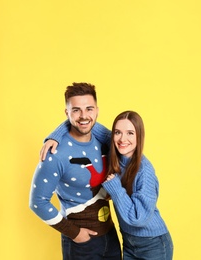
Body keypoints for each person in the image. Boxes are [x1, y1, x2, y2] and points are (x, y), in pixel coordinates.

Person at [41, 110, 174, 260]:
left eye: (130, 133)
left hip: (153, 245)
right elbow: (84, 122)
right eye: (117, 132)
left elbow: (138, 218)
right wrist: (55, 137)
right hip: (129, 242)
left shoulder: (145, 172)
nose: (123, 139)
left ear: (139, 136)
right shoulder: (115, 150)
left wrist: (115, 188)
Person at [29, 82, 122, 260]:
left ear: (97, 110)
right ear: (67, 113)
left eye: (89, 108)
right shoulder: (55, 154)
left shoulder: (103, 140)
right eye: (76, 110)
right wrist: (74, 233)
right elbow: (37, 202)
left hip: (110, 234)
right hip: (81, 243)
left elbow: (125, 148)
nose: (84, 116)